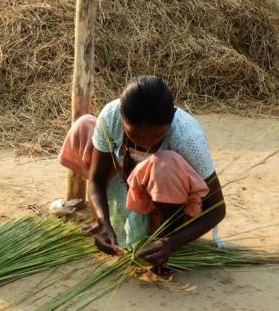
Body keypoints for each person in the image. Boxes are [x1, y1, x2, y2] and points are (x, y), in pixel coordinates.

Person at [59, 76, 226, 266]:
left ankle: (161, 233)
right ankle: (116, 220)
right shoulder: (111, 117)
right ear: (122, 118)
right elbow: (96, 180)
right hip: (126, 183)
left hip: (169, 200)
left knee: (165, 165)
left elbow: (217, 209)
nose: (145, 142)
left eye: (156, 135)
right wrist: (104, 223)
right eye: (135, 134)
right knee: (85, 125)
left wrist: (170, 243)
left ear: (172, 117)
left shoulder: (187, 137)